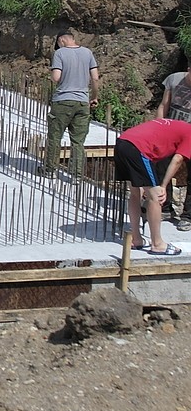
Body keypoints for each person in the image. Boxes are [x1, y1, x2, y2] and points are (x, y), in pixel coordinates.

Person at [114, 117, 191, 256]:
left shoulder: (179, 125)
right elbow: (178, 160)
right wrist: (163, 185)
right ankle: (158, 244)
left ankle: (136, 239)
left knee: (135, 193)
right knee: (155, 196)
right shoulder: (190, 134)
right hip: (138, 149)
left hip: (122, 142)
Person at [43, 29, 100, 180]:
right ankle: (76, 176)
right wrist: (94, 97)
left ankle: (50, 171)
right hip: (82, 102)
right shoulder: (88, 53)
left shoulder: (60, 54)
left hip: (63, 100)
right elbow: (95, 78)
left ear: (61, 41)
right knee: (78, 141)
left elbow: (56, 77)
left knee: (55, 136)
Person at [155, 69, 191, 226]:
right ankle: (165, 207)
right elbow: (164, 105)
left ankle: (188, 215)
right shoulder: (174, 79)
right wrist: (157, 128)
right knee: (162, 167)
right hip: (170, 132)